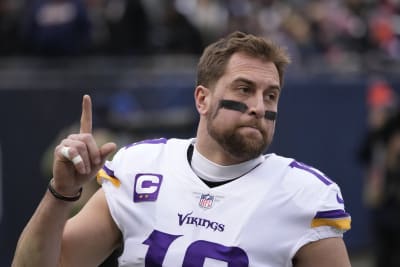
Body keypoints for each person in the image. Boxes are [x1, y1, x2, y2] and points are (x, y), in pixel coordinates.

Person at [12, 31, 351, 267]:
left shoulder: (303, 194)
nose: (259, 106)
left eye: (271, 95)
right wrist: (61, 194)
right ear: (202, 99)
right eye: (244, 89)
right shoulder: (140, 167)